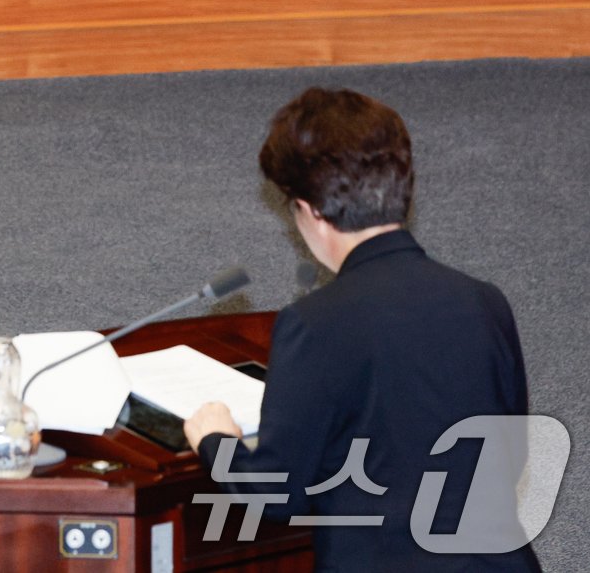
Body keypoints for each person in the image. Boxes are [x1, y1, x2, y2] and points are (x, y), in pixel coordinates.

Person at [183, 88, 540, 571]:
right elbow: (510, 453)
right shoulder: (483, 301)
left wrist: (215, 439)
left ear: (311, 212)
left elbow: (274, 493)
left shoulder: (315, 324)